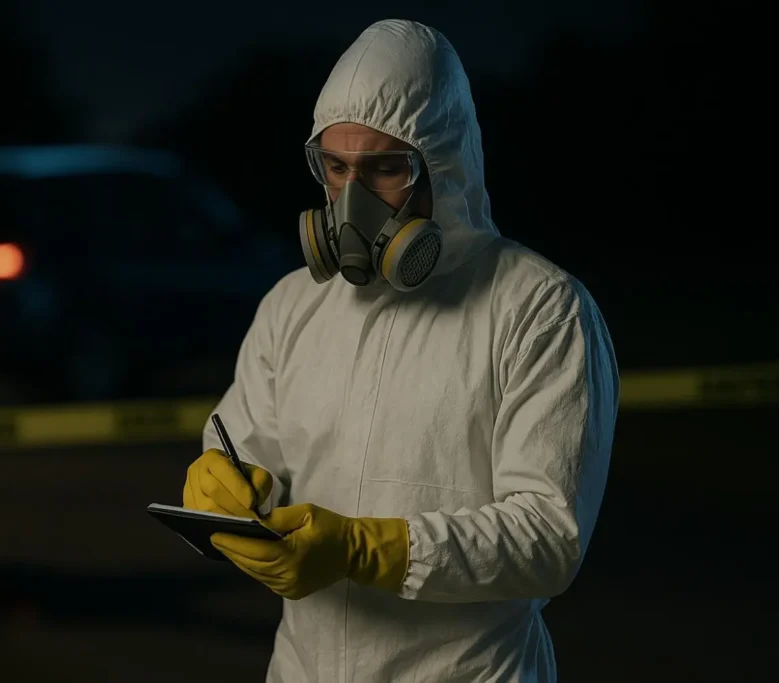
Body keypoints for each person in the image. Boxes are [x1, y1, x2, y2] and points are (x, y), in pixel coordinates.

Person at [182, 18, 619, 683]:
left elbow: (548, 538)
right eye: (336, 167)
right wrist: (222, 486)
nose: (352, 201)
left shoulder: (540, 309)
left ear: (443, 165)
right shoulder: (293, 306)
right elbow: (247, 447)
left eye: (384, 168)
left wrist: (365, 548)